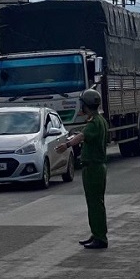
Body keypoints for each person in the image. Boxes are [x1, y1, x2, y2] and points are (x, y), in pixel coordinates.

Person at [57, 89, 110, 249]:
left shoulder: (94, 123)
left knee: (95, 204)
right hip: (96, 167)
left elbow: (82, 137)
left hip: (93, 167)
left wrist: (65, 145)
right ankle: (97, 234)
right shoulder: (99, 120)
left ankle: (100, 237)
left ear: (86, 105)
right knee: (95, 203)